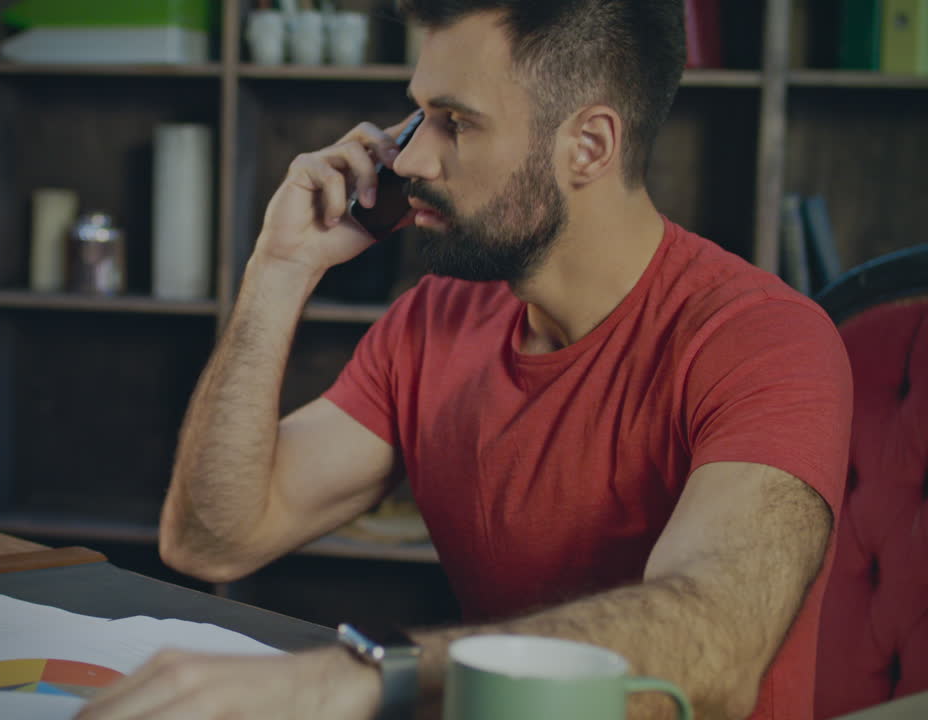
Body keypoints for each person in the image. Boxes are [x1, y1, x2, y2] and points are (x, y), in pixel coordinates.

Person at [78, 1, 852, 718]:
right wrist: (278, 272)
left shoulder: (765, 341)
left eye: (455, 123)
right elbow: (213, 538)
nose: (410, 158)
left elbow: (717, 640)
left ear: (588, 145)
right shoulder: (436, 320)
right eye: (420, 113)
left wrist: (366, 672)